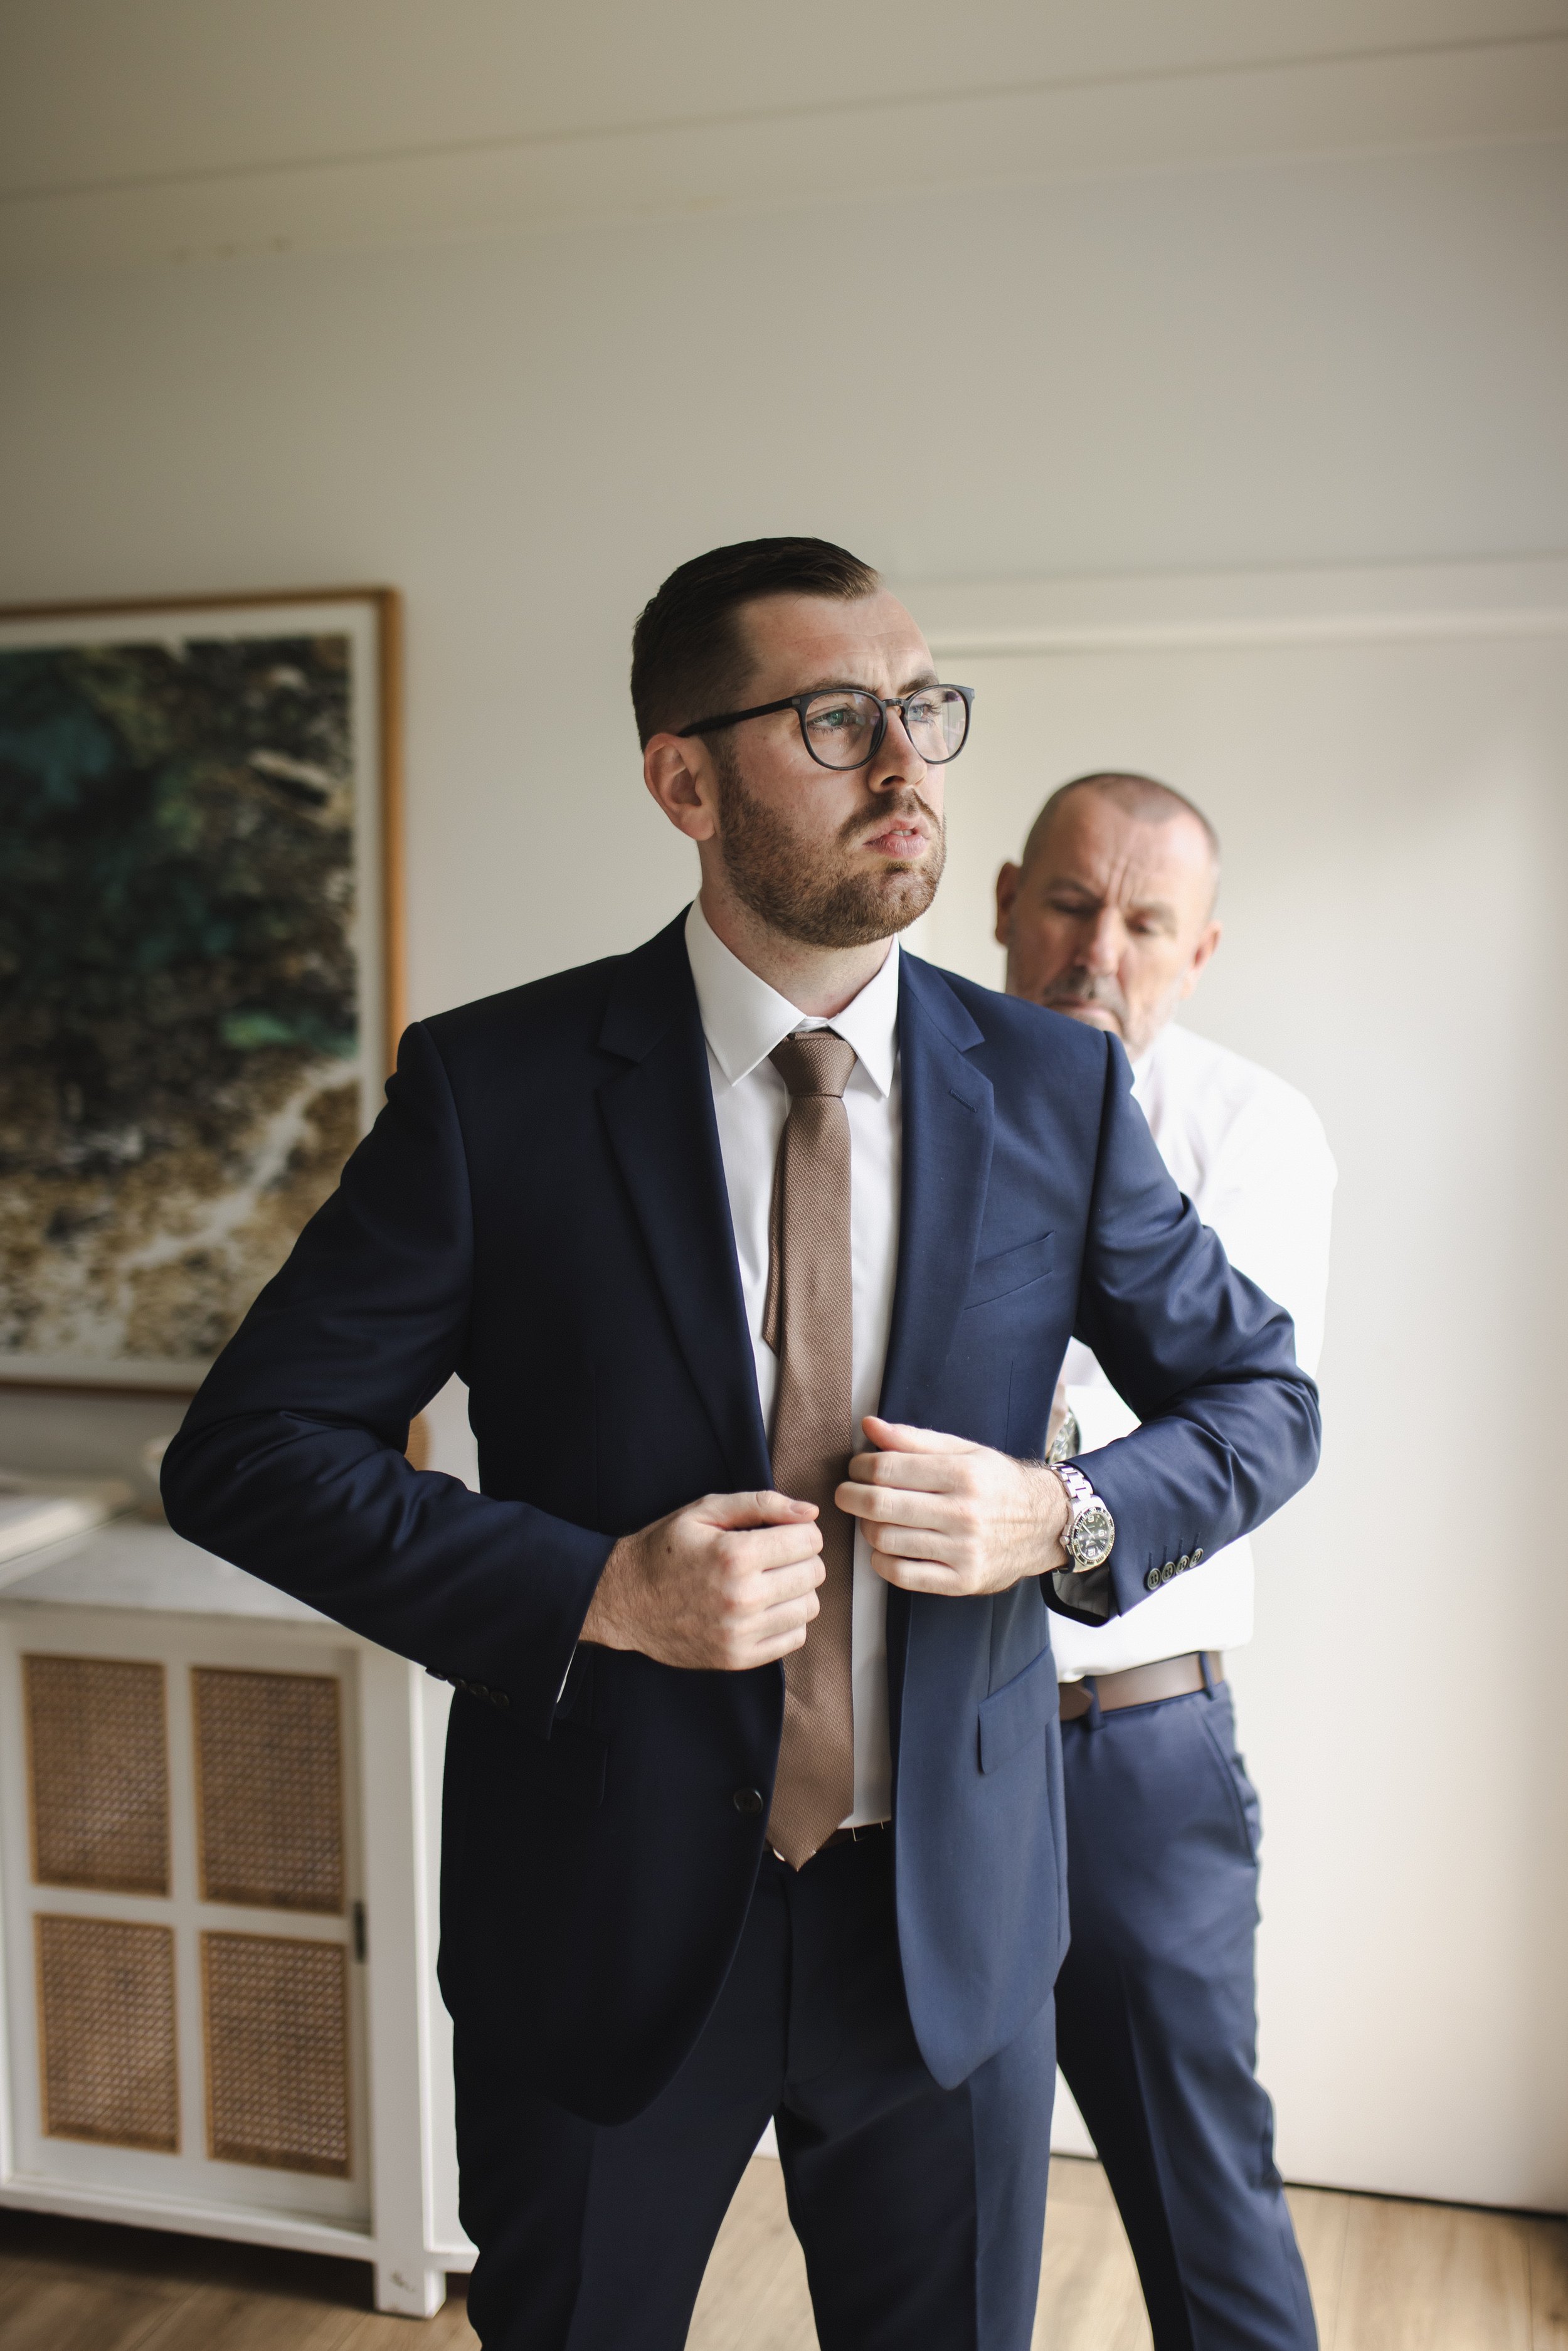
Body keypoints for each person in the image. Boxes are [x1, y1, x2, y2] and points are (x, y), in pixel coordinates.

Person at [161, 544, 1320, 2351]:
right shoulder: (493, 1091)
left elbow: (1263, 1399)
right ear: (683, 780)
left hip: (945, 1940)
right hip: (601, 1921)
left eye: (920, 709)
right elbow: (247, 1450)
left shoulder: (1056, 1091)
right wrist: (596, 1590)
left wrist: (1061, 1511)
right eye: (835, 719)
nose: (905, 764)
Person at [995, 772, 1336, 2351]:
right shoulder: (892, 1090)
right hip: (911, 1749)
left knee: (1208, 2212)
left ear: (1197, 952)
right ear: (1005, 900)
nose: (1097, 950)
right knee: (935, 2211)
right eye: (1070, 904)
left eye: (1144, 922)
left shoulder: (1253, 1133)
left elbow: (1223, 1425)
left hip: (1131, 1744)